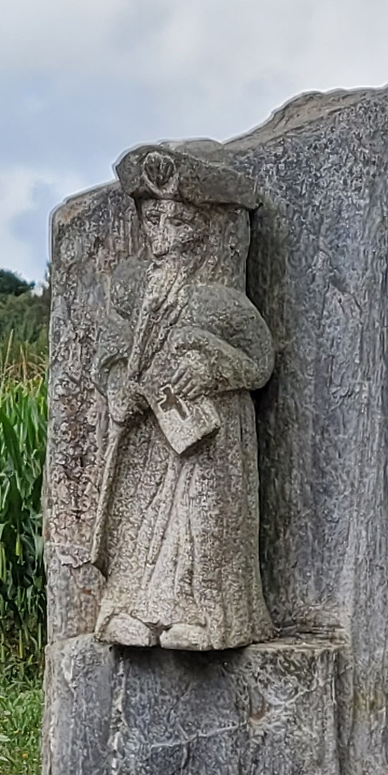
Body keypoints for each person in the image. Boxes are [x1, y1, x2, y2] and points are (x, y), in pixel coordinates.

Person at [91, 147, 275, 651]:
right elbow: (110, 345)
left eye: (176, 222)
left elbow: (259, 361)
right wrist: (117, 385)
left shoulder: (221, 301)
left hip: (204, 433)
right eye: (152, 220)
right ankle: (130, 608)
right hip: (145, 430)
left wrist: (211, 367)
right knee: (139, 517)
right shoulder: (131, 289)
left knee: (200, 518)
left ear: (203, 229)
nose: (161, 236)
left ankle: (206, 615)